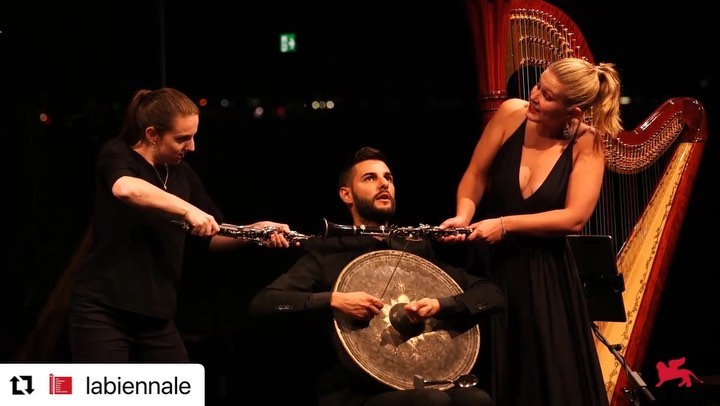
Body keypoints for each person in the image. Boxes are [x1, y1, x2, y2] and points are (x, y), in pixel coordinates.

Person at [248, 146, 505, 406]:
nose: (383, 184)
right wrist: (333, 300)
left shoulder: (414, 248)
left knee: (476, 399)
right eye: (370, 178)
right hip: (354, 392)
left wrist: (442, 305)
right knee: (431, 401)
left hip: (414, 379)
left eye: (388, 178)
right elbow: (264, 303)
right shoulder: (327, 251)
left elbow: (492, 295)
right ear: (346, 194)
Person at [439, 57, 622, 405]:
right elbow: (476, 175)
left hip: (543, 277)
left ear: (573, 112)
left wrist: (505, 224)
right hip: (488, 266)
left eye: (548, 96)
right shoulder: (511, 113)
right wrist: (464, 215)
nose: (535, 96)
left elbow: (574, 218)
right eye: (539, 85)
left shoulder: (587, 142)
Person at [69, 87, 294, 362]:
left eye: (193, 136)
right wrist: (188, 210)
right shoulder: (118, 154)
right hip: (104, 311)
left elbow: (213, 234)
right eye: (182, 139)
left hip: (156, 317)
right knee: (107, 387)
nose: (192, 147)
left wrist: (255, 231)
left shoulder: (182, 173)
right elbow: (126, 189)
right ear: (152, 134)